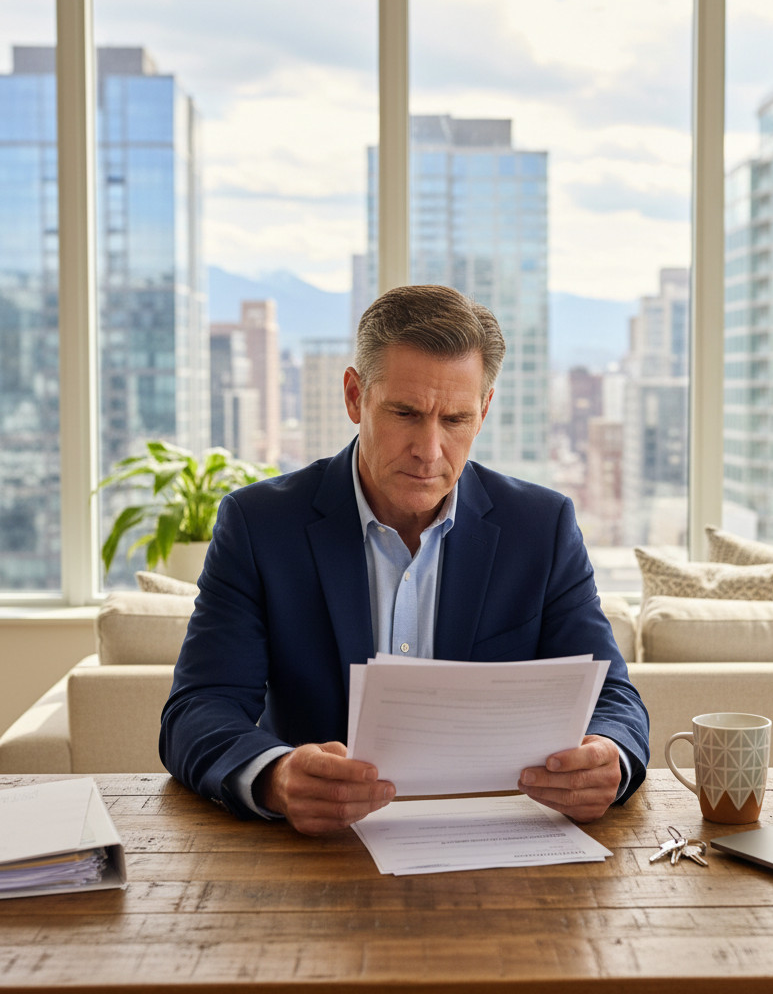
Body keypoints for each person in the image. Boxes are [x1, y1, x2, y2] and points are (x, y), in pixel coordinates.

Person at [160, 285, 649, 835]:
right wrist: (276, 776)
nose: (429, 450)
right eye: (405, 413)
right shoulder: (259, 526)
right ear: (354, 397)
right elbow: (198, 709)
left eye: (456, 419)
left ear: (484, 411)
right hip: (320, 850)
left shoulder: (542, 528)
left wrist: (609, 756)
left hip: (497, 843)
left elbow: (613, 698)